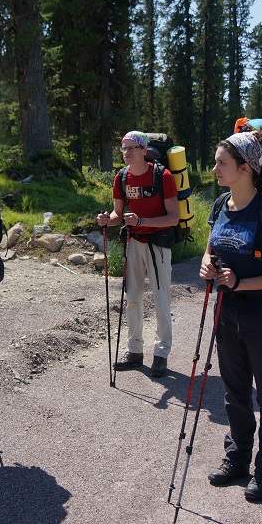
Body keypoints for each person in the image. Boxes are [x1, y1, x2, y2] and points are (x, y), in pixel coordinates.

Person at [199, 124, 262, 502]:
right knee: (234, 392)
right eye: (215, 162)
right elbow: (211, 249)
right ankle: (237, 458)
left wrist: (240, 283)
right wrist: (208, 266)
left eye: (221, 163)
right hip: (227, 313)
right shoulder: (220, 206)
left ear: (245, 169)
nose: (214, 169)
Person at [97, 131, 180, 378]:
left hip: (158, 244)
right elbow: (117, 215)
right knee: (132, 297)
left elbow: (173, 218)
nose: (126, 152)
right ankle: (135, 351)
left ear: (144, 150)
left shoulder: (162, 176)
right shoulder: (121, 177)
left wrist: (142, 219)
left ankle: (161, 353)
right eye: (123, 148)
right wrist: (106, 220)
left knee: (161, 298)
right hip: (133, 242)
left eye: (132, 148)